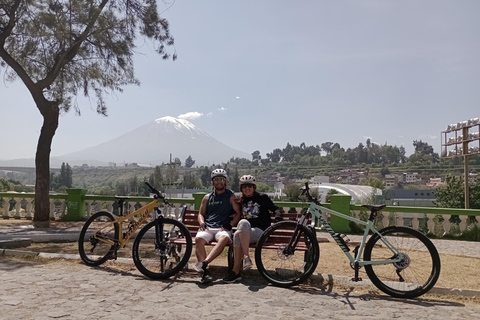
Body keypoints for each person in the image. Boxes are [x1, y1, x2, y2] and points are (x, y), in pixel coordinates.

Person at [223, 174, 282, 283]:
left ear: (254, 187)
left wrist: (277, 217)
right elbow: (234, 212)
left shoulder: (262, 197)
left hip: (261, 232)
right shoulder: (241, 200)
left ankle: (244, 259)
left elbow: (276, 209)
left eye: (249, 186)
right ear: (241, 189)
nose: (247, 188)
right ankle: (236, 270)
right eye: (244, 187)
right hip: (245, 233)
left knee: (243, 224)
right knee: (238, 233)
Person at [195, 168, 242, 283]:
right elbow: (201, 213)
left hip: (222, 227)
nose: (219, 182)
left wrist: (231, 224)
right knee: (198, 239)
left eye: (221, 179)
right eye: (216, 179)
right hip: (208, 227)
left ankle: (204, 263)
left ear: (225, 181)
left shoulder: (231, 196)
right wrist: (201, 222)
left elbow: (238, 213)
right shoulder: (207, 197)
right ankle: (206, 273)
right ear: (212, 182)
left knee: (224, 238)